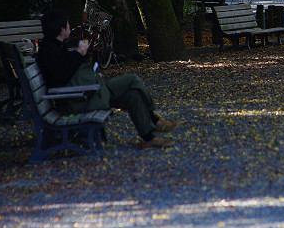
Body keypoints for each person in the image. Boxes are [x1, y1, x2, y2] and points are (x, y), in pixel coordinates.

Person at [36, 8, 178, 149]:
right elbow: (61, 77)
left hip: (87, 93)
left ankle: (149, 139)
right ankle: (154, 119)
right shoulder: (49, 51)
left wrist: (82, 54)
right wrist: (78, 55)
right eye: (67, 24)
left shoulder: (55, 46)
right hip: (82, 98)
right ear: (61, 29)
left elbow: (69, 66)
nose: (69, 27)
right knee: (132, 79)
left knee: (132, 95)